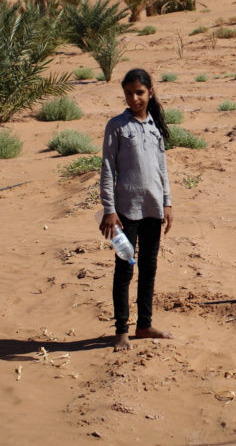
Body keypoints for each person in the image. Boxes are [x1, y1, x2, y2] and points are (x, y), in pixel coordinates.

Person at [99, 68, 175, 351]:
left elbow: (161, 169)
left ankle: (144, 325)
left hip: (153, 210)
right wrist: (109, 209)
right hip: (125, 212)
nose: (134, 98)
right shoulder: (116, 126)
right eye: (129, 93)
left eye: (139, 92)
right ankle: (121, 330)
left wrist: (167, 203)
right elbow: (108, 168)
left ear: (150, 92)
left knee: (149, 268)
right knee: (124, 268)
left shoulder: (155, 126)